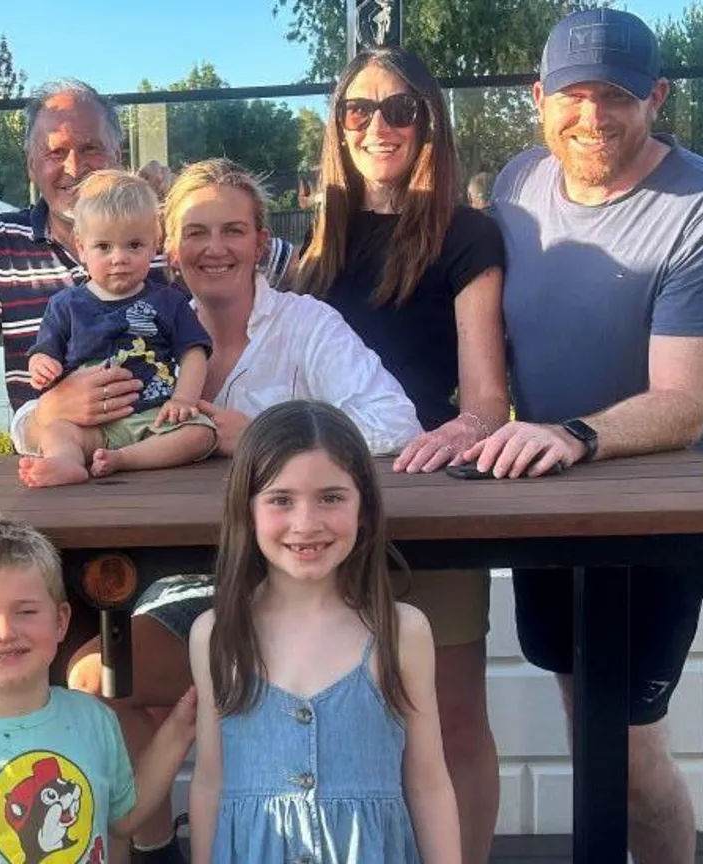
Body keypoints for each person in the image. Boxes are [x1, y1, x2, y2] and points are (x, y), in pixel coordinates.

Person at [63, 157, 422, 861]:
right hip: (183, 577)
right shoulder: (146, 322)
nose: (215, 247)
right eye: (196, 232)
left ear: (263, 242)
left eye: (233, 230)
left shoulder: (305, 324)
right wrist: (54, 407)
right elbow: (35, 430)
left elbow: (395, 421)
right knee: (93, 677)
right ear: (170, 245)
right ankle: (160, 842)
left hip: (293, 582)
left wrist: (258, 431)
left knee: (112, 677)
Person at [464, 9, 703, 861]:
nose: (593, 117)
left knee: (629, 751)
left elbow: (683, 404)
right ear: (539, 99)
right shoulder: (517, 183)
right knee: (582, 719)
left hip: (651, 511)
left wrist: (573, 435)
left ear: (657, 97)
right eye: (574, 96)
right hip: (543, 505)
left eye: (618, 96)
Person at [293, 47, 508, 863]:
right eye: (358, 110)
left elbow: (487, 401)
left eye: (398, 109)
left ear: (429, 124)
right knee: (339, 711)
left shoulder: (467, 234)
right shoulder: (313, 248)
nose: (376, 126)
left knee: (449, 715)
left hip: (428, 504)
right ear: (337, 128)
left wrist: (465, 429)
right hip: (321, 511)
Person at [0, 79, 294, 466]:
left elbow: (271, 260)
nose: (74, 167)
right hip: (57, 461)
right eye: (55, 152)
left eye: (91, 148)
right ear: (32, 165)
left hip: (167, 458)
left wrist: (187, 193)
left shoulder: (165, 228)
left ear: (117, 156)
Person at [188, 400, 459, 863]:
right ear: (246, 510)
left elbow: (428, 782)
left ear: (364, 509)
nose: (306, 523)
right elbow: (211, 781)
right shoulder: (216, 635)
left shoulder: (402, 632)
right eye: (280, 499)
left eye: (331, 497)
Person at [0, 518, 198, 864]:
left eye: (26, 611)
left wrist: (178, 730)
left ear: (61, 620)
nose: (4, 632)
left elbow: (123, 818)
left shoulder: (94, 718)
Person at [22, 169, 216, 487]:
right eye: (104, 247)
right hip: (90, 422)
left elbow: (194, 353)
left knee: (202, 433)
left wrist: (183, 400)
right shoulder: (65, 304)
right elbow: (45, 349)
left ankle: (124, 460)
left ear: (155, 244)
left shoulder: (170, 301)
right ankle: (65, 463)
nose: (119, 258)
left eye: (134, 245)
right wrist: (41, 364)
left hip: (153, 415)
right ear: (82, 248)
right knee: (56, 430)